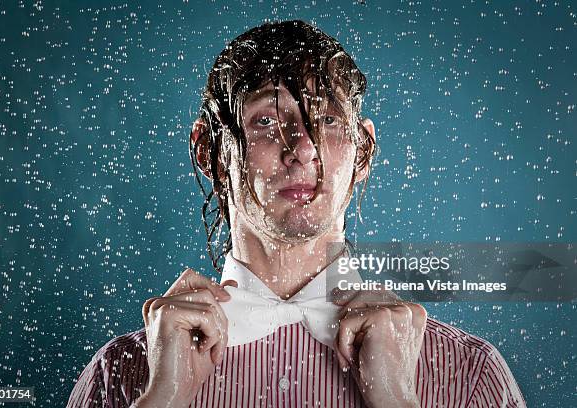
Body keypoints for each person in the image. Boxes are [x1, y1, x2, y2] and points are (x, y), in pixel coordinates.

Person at [67, 20, 526, 408]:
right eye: (266, 121)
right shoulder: (119, 375)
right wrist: (162, 397)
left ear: (362, 152)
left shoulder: (470, 375)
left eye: (326, 120)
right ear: (208, 152)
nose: (302, 148)